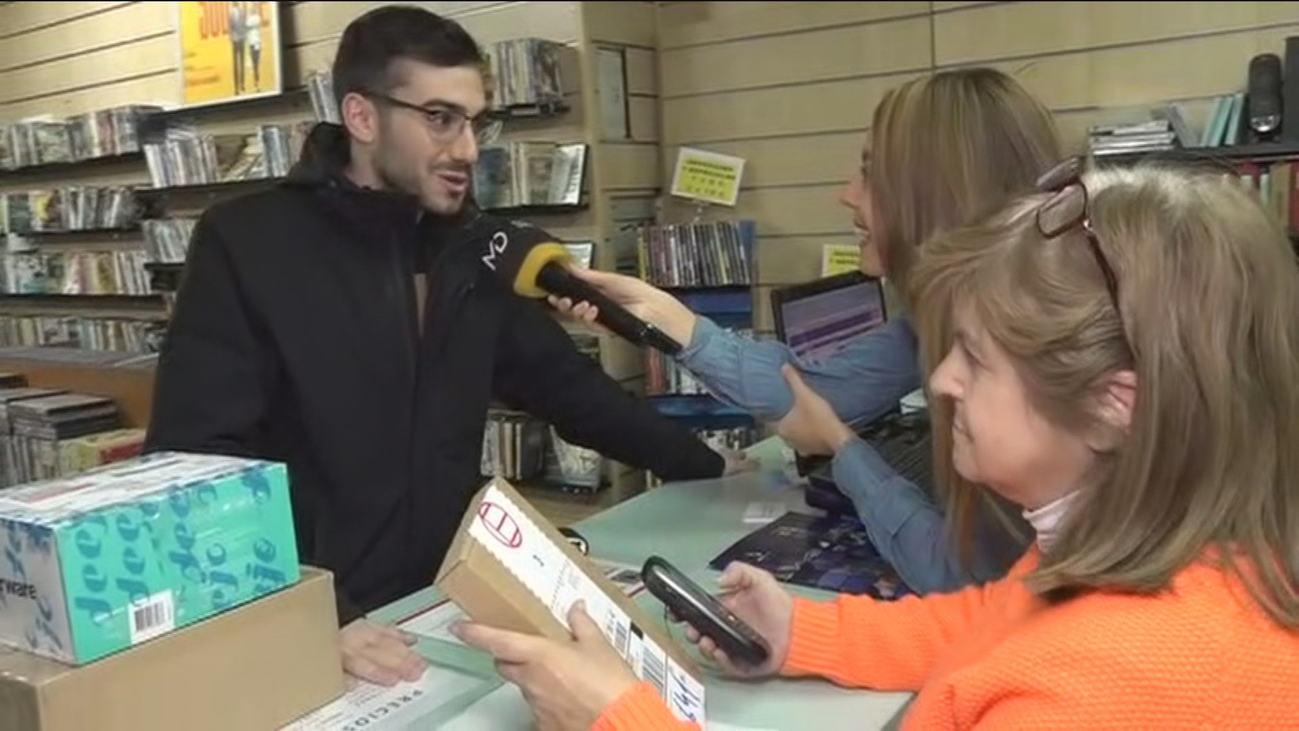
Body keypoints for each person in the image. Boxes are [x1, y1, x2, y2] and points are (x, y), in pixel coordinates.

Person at [455, 162, 1299, 729]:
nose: (943, 382)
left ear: (1115, 405)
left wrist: (617, 717)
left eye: (976, 358)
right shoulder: (1160, 547)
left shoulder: (1098, 689)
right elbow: (992, 619)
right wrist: (803, 634)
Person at [145, 6, 743, 688]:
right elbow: (196, 460)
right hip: (322, 625)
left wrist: (707, 465)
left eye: (475, 122)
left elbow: (568, 389)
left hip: (445, 606)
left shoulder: (471, 249)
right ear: (362, 116)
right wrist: (315, 613)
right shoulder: (249, 242)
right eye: (439, 118)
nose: (466, 149)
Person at [553, 69, 1061, 593]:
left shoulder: (1024, 357)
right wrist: (664, 316)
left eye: (870, 175)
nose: (847, 195)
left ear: (934, 195)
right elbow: (808, 390)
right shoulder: (936, 321)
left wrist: (844, 448)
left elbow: (958, 577)